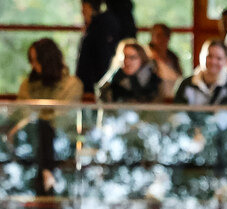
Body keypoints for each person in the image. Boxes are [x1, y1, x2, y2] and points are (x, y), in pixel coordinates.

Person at [5, 38, 83, 196]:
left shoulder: (72, 84)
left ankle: (45, 175)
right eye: (31, 61)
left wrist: (39, 116)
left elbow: (61, 118)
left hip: (59, 143)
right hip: (28, 142)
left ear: (47, 60)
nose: (33, 65)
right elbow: (21, 113)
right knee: (40, 127)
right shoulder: (28, 84)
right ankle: (46, 175)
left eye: (36, 60)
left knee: (44, 127)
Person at [173, 40, 227, 106]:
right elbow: (178, 113)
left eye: (219, 58)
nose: (213, 62)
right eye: (209, 56)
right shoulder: (185, 84)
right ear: (200, 56)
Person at [76, 0, 122, 97]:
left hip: (95, 85)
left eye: (84, 10)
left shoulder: (99, 28)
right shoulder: (95, 28)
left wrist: (89, 87)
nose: (83, 14)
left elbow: (98, 59)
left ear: (90, 8)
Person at [96, 39, 161, 102]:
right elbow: (103, 98)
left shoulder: (153, 79)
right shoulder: (115, 76)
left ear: (142, 59)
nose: (127, 61)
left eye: (132, 57)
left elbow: (145, 101)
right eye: (124, 56)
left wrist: (133, 79)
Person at [147, 23, 183, 101]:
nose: (162, 39)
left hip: (174, 102)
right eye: (159, 35)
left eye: (166, 35)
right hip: (155, 103)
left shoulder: (174, 58)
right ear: (152, 36)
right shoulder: (147, 57)